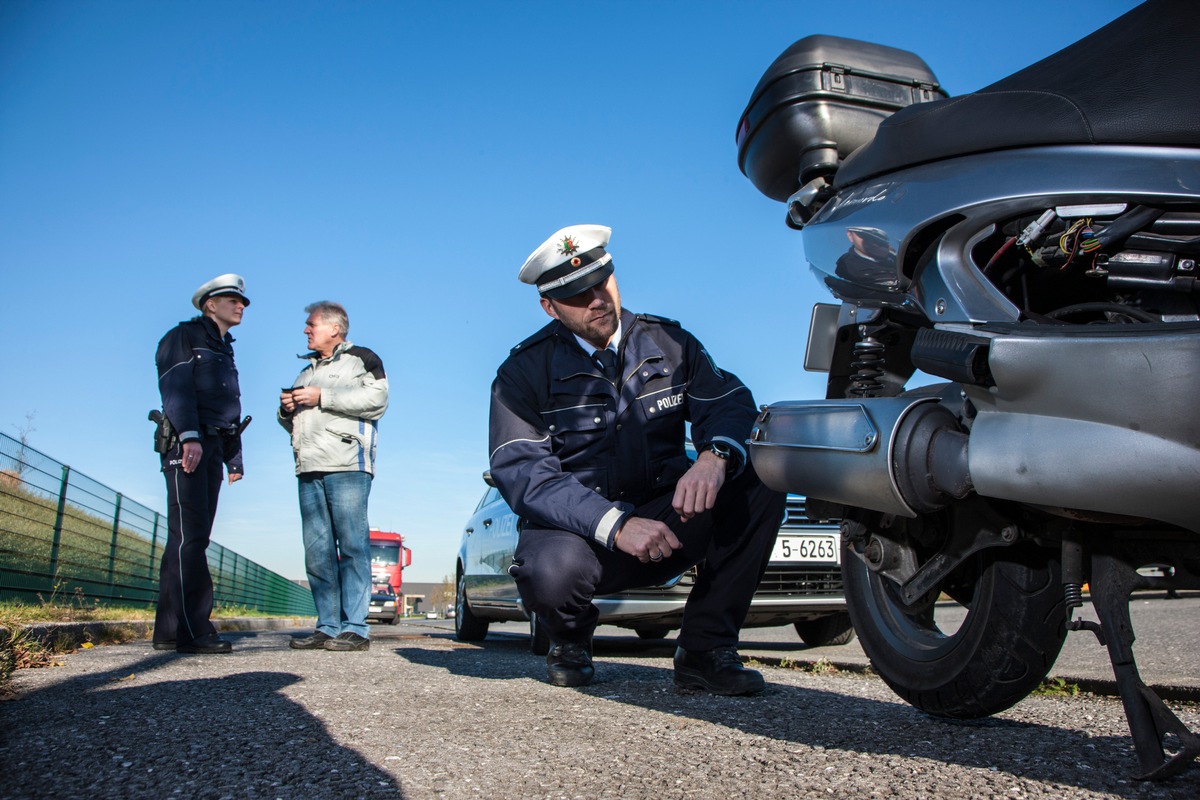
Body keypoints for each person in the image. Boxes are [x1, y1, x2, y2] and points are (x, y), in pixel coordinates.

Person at [489, 224, 786, 695]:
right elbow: (524, 472)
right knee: (547, 571)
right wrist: (616, 525)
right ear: (549, 306)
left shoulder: (669, 342)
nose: (597, 300)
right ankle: (568, 639)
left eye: (602, 282)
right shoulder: (523, 371)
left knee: (760, 480)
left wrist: (714, 455)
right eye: (576, 296)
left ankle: (705, 649)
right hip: (581, 534)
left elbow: (730, 400)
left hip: (667, 520)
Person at [279, 301, 388, 652]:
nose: (306, 330)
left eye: (311, 324)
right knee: (317, 551)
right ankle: (327, 625)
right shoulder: (305, 372)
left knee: (352, 545)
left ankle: (355, 628)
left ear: (334, 328)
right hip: (308, 466)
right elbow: (294, 422)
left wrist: (321, 396)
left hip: (347, 464)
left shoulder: (362, 359)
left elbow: (377, 400)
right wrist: (286, 410)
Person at [152, 273, 250, 654]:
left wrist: (233, 457)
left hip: (211, 443)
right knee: (188, 536)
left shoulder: (224, 347)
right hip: (186, 442)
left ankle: (168, 629)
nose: (240, 306)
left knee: (192, 538)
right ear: (210, 303)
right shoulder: (184, 336)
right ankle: (194, 632)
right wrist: (190, 436)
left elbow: (227, 406)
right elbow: (176, 389)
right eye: (232, 300)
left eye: (242, 302)